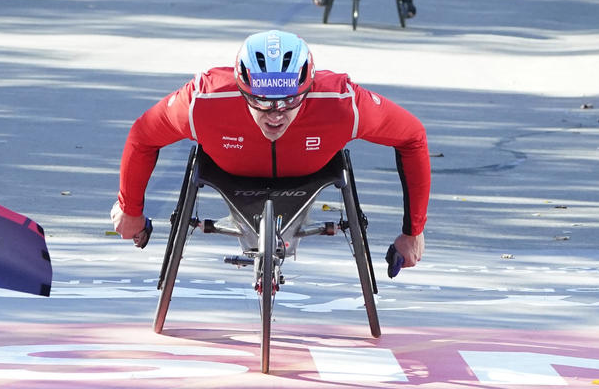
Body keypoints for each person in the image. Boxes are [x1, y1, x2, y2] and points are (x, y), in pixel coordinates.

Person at [111, 29, 430, 271]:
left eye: (290, 101)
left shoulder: (342, 101)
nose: (275, 114)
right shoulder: (203, 99)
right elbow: (143, 135)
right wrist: (130, 209)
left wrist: (412, 231)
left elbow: (412, 136)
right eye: (261, 101)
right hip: (232, 173)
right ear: (240, 88)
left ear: (309, 86)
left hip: (307, 174)